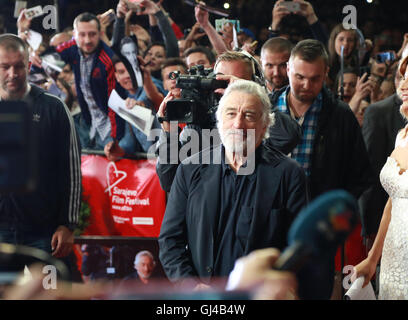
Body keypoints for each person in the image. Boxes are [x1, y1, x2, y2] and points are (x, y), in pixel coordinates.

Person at [159, 80, 330, 299]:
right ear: (220, 121)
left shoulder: (289, 174)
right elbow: (170, 240)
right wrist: (191, 285)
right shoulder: (190, 168)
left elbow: (299, 248)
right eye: (231, 114)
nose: (238, 124)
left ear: (265, 125)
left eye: (248, 115)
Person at [272, 39, 374, 297]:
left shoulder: (340, 115)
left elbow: (360, 174)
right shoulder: (267, 109)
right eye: (299, 77)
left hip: (317, 228)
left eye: (315, 79)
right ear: (287, 69)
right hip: (270, 223)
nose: (306, 85)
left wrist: (332, 211)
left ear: (326, 74)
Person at [0, 34, 81, 260]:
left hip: (45, 230)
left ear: (29, 65)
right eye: (5, 67)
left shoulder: (54, 108)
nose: (13, 74)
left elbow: (71, 170)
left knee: (50, 293)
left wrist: (68, 224)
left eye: (19, 66)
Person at [155, 50, 301, 193]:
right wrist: (169, 133)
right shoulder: (199, 122)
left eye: (237, 84)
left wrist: (253, 98)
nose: (232, 90)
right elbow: (169, 180)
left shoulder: (256, 122)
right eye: (223, 82)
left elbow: (289, 137)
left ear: (255, 84)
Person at [355, 48, 408, 300]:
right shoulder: (403, 135)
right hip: (393, 264)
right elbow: (394, 202)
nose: (403, 85)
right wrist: (373, 259)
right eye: (402, 77)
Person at [55, 12, 125, 157]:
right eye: (82, 34)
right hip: (89, 121)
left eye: (92, 34)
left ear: (100, 33)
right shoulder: (72, 48)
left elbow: (115, 101)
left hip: (108, 126)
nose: (87, 40)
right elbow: (48, 60)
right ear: (74, 35)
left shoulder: (108, 59)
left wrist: (115, 138)